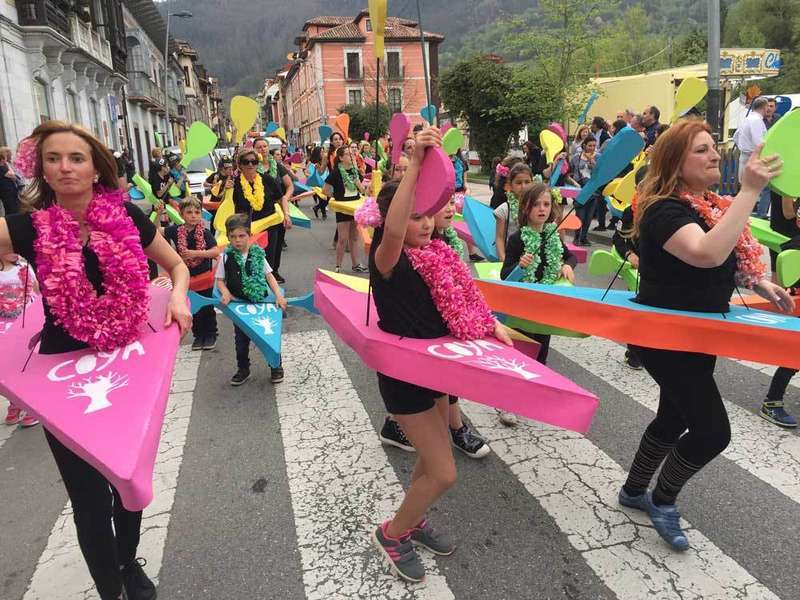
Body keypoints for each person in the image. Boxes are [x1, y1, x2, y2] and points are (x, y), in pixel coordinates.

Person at [0, 120, 192, 600]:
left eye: (76, 158)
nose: (65, 167)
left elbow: (176, 265)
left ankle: (127, 562)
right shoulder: (26, 228)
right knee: (88, 500)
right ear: (41, 169)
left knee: (128, 479)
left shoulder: (127, 216)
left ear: (95, 168)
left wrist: (179, 297)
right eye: (53, 159)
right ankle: (111, 592)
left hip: (128, 361)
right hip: (62, 375)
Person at [619, 119, 791, 552]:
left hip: (700, 331)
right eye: (701, 150)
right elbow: (705, 252)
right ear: (676, 162)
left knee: (674, 417)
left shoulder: (706, 204)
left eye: (714, 146)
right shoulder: (662, 209)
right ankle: (662, 500)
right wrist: (751, 191)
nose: (715, 154)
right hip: (666, 336)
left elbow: (723, 256)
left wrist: (757, 282)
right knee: (713, 432)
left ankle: (634, 489)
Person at [369, 127, 512, 582]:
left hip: (438, 370)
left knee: (430, 465)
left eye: (428, 214)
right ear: (393, 219)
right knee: (446, 472)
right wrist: (414, 164)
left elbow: (467, 300)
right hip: (404, 375)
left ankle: (413, 519)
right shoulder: (387, 258)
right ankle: (392, 533)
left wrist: (492, 324)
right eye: (413, 216)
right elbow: (394, 228)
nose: (425, 223)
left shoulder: (439, 253)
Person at [379, 196, 492, 458]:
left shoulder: (441, 246)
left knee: (441, 392)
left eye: (452, 202)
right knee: (436, 457)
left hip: (437, 342)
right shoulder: (399, 254)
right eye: (442, 202)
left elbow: (464, 296)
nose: (450, 208)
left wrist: (488, 321)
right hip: (411, 348)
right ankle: (437, 429)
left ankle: (448, 428)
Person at [498, 183, 577, 425]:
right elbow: (504, 274)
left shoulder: (552, 234)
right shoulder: (517, 239)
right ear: (526, 209)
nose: (541, 209)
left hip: (545, 306)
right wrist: (519, 266)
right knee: (520, 352)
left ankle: (531, 396)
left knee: (541, 351)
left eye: (546, 204)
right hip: (522, 306)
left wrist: (566, 265)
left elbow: (570, 255)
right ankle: (506, 403)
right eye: (536, 205)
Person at [215, 213, 287, 386]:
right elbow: (220, 281)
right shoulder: (226, 257)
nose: (237, 240)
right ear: (228, 237)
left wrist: (278, 296)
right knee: (241, 340)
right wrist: (225, 292)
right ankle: (243, 368)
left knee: (268, 335)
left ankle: (275, 365)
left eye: (242, 236)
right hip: (240, 305)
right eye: (233, 237)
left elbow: (269, 277)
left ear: (249, 235)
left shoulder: (257, 255)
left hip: (261, 303)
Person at [163, 198, 221, 351]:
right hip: (186, 278)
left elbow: (215, 251)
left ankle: (210, 334)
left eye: (197, 212)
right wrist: (157, 214)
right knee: (192, 307)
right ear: (181, 214)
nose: (193, 215)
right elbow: (155, 232)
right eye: (189, 212)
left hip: (203, 277)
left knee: (206, 307)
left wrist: (195, 253)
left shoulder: (205, 232)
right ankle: (198, 336)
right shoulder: (175, 230)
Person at [231, 149, 284, 277]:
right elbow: (227, 206)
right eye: (246, 162)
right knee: (248, 262)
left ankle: (268, 291)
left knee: (268, 261)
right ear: (240, 165)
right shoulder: (235, 183)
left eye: (253, 162)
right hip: (246, 230)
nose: (250, 165)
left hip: (269, 227)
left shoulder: (267, 180)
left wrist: (285, 216)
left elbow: (280, 199)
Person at [1, 252, 39, 427]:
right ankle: (14, 401)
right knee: (7, 367)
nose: (15, 253)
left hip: (25, 325)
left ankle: (31, 405)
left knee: (27, 365)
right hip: (3, 328)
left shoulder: (24, 267)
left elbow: (37, 290)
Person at [253, 137, 293, 284]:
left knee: (277, 243)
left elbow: (289, 185)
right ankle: (262, 275)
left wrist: (285, 198)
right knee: (262, 245)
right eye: (259, 147)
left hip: (277, 210)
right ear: (254, 149)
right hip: (258, 212)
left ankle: (274, 271)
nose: (262, 149)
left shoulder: (276, 165)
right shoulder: (251, 167)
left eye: (264, 146)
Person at [323, 146, 367, 273]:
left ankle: (356, 264)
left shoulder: (355, 171)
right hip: (343, 208)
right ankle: (338, 266)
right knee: (342, 239)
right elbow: (325, 190)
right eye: (347, 154)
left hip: (355, 206)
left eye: (351, 154)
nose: (351, 155)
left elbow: (362, 190)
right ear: (341, 158)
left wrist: (358, 182)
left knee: (354, 237)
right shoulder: (336, 172)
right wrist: (336, 198)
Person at [734, 97, 770, 219]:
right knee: (762, 187)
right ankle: (759, 215)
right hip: (753, 156)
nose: (768, 109)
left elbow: (736, 136)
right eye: (768, 107)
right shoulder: (756, 121)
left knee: (744, 187)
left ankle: (742, 216)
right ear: (764, 107)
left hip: (744, 155)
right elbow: (759, 142)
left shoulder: (747, 119)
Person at [494, 163, 534, 261]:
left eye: (527, 182)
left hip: (533, 257)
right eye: (519, 183)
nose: (523, 186)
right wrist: (503, 259)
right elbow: (499, 237)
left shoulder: (537, 206)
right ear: (510, 185)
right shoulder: (504, 209)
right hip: (512, 258)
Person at [570, 135, 600, 246]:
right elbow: (570, 173)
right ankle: (576, 237)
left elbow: (600, 173)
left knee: (588, 217)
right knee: (580, 216)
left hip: (593, 192)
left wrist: (592, 161)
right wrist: (574, 184)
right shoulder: (576, 157)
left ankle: (584, 237)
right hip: (580, 191)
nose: (592, 148)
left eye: (594, 145)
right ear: (584, 145)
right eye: (589, 145)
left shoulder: (598, 157)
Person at [307, 146, 330, 220]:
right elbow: (308, 172)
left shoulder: (324, 160)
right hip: (316, 183)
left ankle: (316, 208)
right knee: (322, 198)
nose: (323, 153)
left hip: (325, 181)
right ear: (317, 153)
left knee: (328, 198)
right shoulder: (312, 163)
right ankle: (324, 214)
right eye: (321, 151)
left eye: (324, 151)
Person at [0, 146, 22, 216]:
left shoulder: (6, 165)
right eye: (9, 154)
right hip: (7, 192)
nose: (11, 155)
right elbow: (13, 176)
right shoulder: (2, 167)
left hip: (11, 191)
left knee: (14, 209)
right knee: (12, 210)